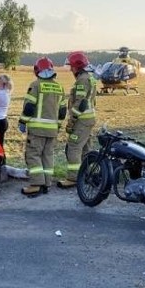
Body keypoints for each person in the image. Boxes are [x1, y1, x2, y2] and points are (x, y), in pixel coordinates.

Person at [18, 57, 66, 196]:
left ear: (37, 70)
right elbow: (62, 111)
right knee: (48, 156)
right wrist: (58, 125)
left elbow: (29, 107)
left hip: (37, 130)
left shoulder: (36, 85)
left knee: (33, 155)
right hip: (52, 130)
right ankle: (46, 184)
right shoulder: (59, 87)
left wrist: (22, 122)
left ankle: (36, 184)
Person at [59, 51, 97, 188]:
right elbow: (93, 101)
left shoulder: (82, 80)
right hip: (89, 118)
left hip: (82, 120)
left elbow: (80, 103)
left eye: (72, 66)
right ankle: (86, 174)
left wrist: (71, 121)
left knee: (74, 147)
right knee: (85, 149)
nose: (71, 69)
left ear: (77, 66)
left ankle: (73, 178)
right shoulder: (90, 78)